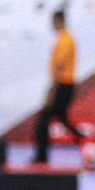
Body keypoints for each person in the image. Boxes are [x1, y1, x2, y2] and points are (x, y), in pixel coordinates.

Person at [35, 9, 76, 166]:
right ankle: (83, 138)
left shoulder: (65, 40)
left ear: (59, 20)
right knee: (60, 118)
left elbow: (59, 66)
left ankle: (41, 156)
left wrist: (52, 90)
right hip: (63, 84)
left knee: (43, 121)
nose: (51, 25)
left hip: (62, 85)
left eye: (53, 22)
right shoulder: (63, 38)